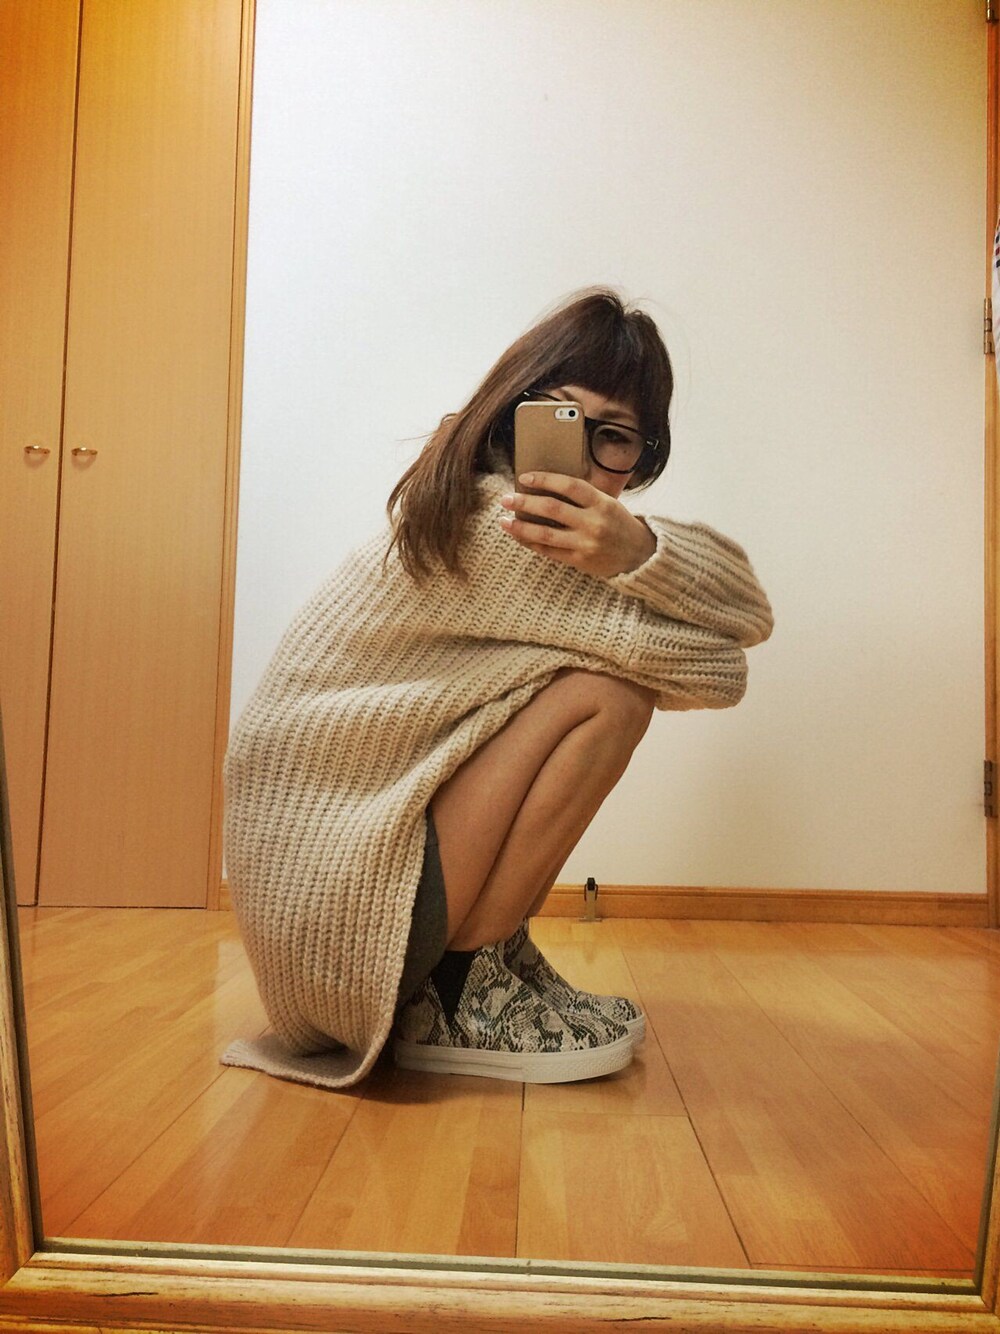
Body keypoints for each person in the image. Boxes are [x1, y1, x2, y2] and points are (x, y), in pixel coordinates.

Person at [221, 288, 773, 1092]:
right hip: (345, 915)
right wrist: (635, 557)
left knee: (587, 683)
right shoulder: (503, 527)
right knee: (611, 693)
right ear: (513, 413)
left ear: (641, 455)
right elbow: (725, 665)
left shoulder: (467, 504)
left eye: (615, 436)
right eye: (563, 418)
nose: (587, 458)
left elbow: (745, 617)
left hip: (333, 900)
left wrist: (638, 548)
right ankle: (455, 990)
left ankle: (489, 962)